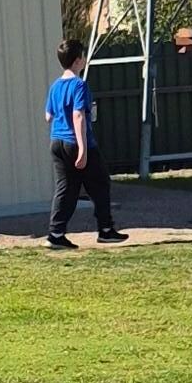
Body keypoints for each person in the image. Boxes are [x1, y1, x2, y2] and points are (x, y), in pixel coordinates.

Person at [44, 33, 126, 249]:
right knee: (100, 182)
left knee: (66, 188)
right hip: (77, 142)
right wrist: (82, 149)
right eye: (82, 56)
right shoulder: (79, 85)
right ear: (77, 60)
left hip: (57, 141)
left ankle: (56, 233)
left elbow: (48, 116)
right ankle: (106, 230)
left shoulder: (55, 86)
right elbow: (78, 115)